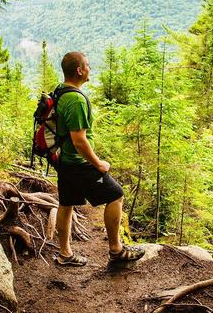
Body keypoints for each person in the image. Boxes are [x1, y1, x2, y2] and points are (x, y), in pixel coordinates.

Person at [53, 51, 145, 266]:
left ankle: (65, 254)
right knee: (116, 195)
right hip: (80, 164)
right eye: (88, 65)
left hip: (65, 161)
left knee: (66, 204)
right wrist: (99, 164)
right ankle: (116, 250)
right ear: (79, 70)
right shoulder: (76, 100)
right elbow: (79, 141)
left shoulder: (61, 91)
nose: (89, 68)